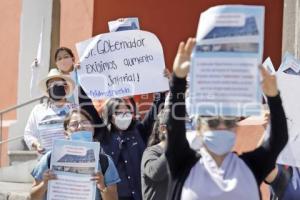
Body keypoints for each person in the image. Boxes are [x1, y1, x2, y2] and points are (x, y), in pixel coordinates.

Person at [165, 38, 288, 200]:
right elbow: (174, 126)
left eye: (228, 121)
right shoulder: (182, 163)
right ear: (199, 128)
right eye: (213, 122)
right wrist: (178, 80)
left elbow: (278, 139)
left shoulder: (250, 167)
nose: (222, 126)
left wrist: (273, 97)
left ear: (235, 127)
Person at [30, 108, 120, 200]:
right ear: (66, 133)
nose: (80, 127)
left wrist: (102, 186)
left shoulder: (105, 162)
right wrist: (44, 184)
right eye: (74, 124)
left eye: (85, 122)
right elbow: (32, 197)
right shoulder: (50, 158)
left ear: (93, 128)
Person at [24, 68, 77, 153]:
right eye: (51, 84)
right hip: (45, 161)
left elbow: (85, 131)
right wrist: (37, 144)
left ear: (66, 88)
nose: (55, 86)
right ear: (47, 90)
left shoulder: (76, 109)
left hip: (70, 159)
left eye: (58, 83)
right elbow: (28, 134)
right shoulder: (38, 110)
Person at [141, 109, 169, 200]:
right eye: (180, 125)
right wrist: (173, 147)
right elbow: (155, 173)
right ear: (163, 129)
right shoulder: (151, 152)